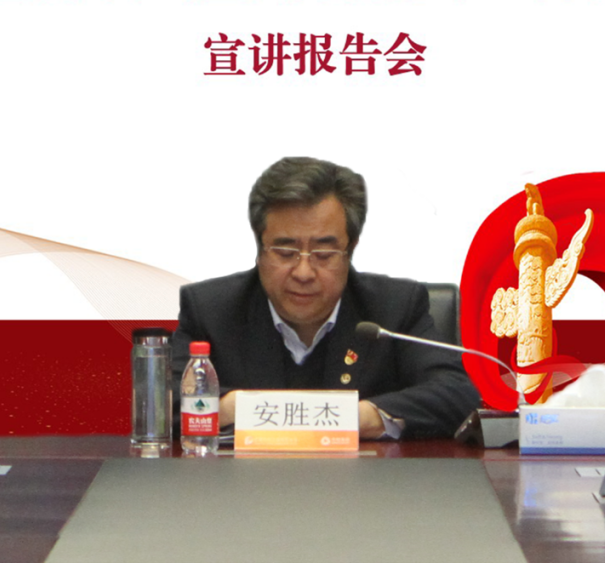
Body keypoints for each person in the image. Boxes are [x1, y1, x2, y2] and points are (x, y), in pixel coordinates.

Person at [171, 156, 479, 439]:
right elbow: (161, 398)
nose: (303, 272)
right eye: (285, 252)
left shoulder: (394, 309)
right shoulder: (211, 310)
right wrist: (226, 407)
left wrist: (365, 417)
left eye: (324, 253)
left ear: (350, 249)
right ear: (260, 249)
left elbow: (458, 393)